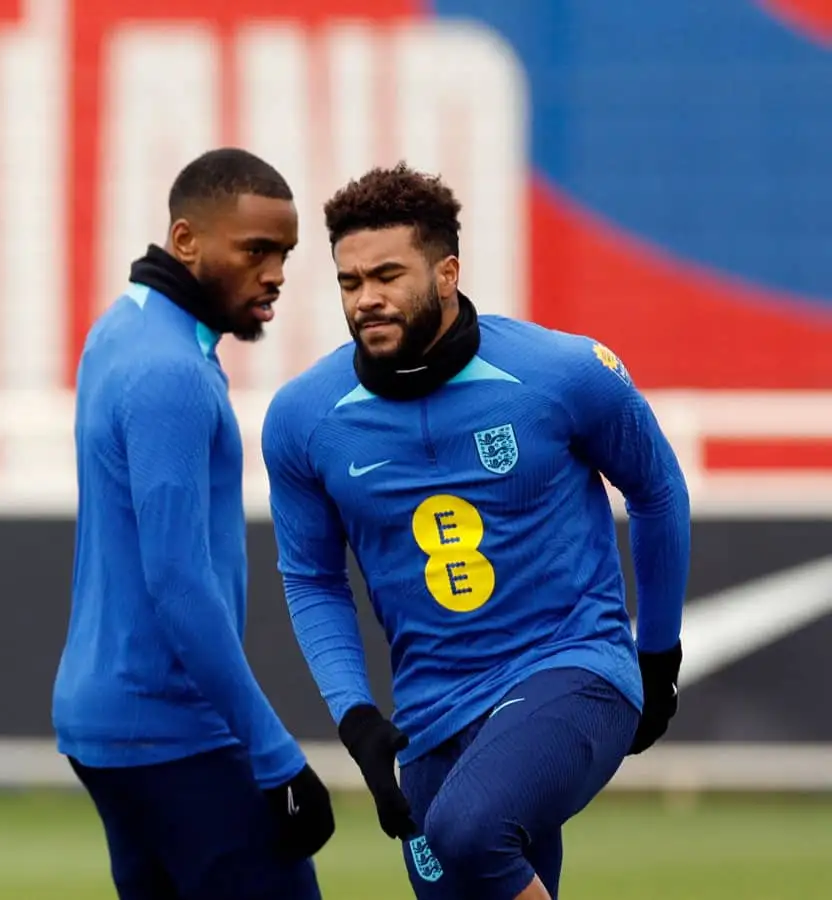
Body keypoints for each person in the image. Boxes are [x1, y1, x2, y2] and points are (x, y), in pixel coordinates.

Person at [261, 162, 689, 900]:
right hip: (430, 714)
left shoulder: (562, 373)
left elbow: (657, 490)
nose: (368, 299)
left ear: (448, 271)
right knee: (465, 860)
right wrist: (356, 714)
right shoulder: (304, 418)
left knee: (469, 829)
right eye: (349, 282)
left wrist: (657, 657)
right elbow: (311, 576)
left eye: (388, 275)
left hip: (572, 668)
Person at [51, 147, 335, 900]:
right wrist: (276, 755)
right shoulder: (169, 372)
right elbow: (178, 583)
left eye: (284, 254)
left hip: (109, 720)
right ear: (186, 241)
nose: (275, 273)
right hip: (169, 727)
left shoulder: (121, 330)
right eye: (256, 252)